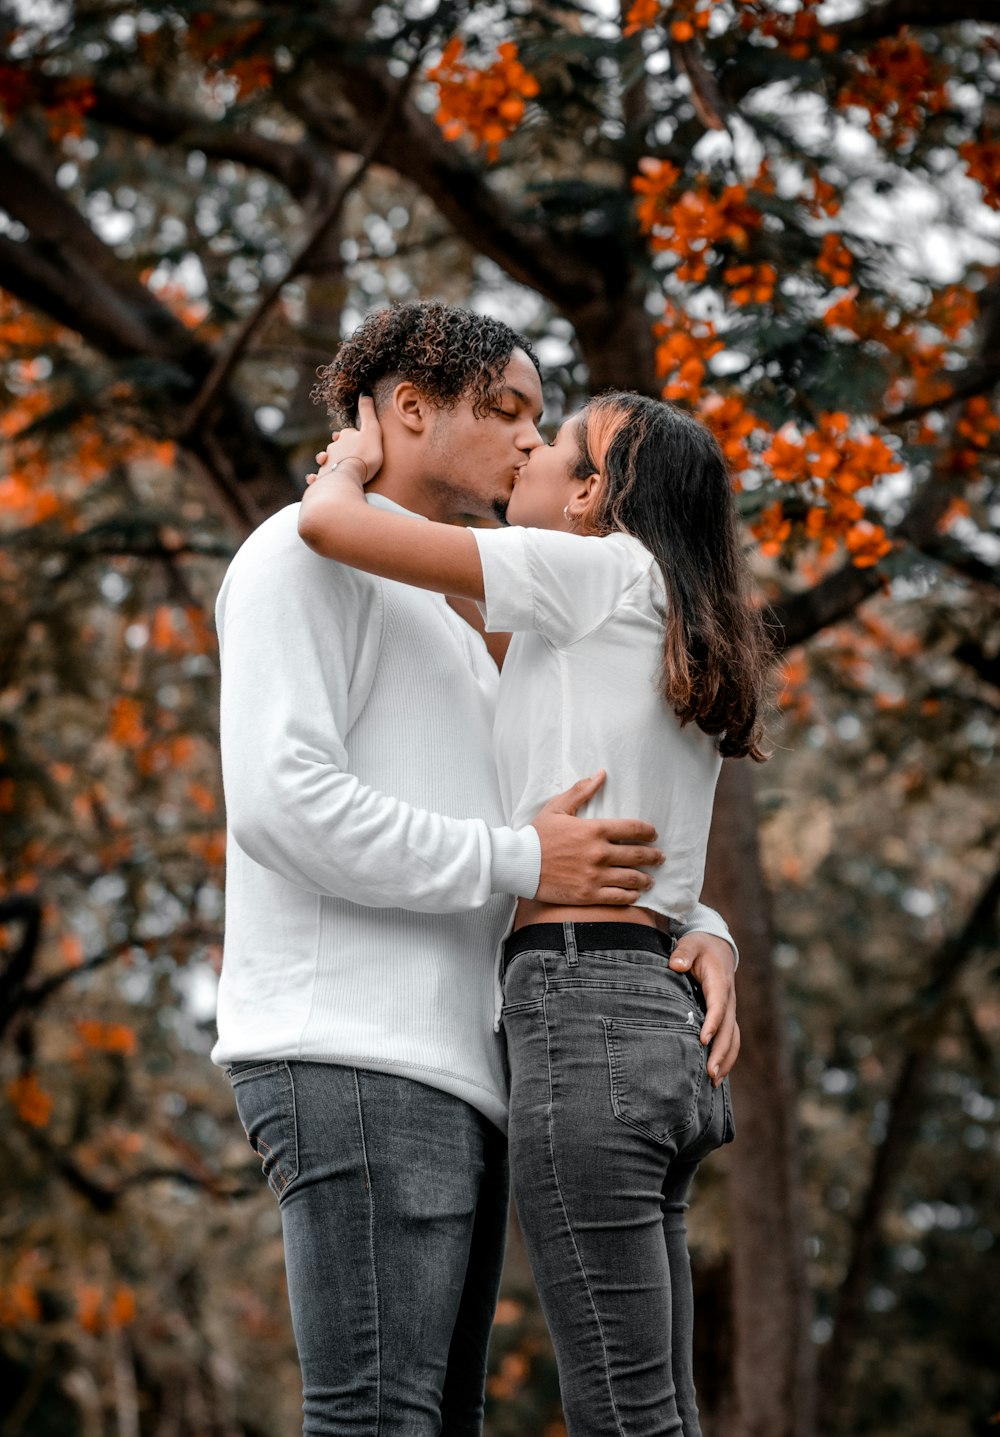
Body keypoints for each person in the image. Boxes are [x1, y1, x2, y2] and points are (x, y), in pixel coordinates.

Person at [214, 300, 740, 1437]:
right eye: (505, 412)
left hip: (479, 1065)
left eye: (542, 427)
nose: (523, 443)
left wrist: (698, 925)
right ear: (406, 409)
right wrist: (518, 854)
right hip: (350, 1050)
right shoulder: (295, 559)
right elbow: (282, 806)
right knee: (378, 1419)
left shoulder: (473, 618)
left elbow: (593, 801)